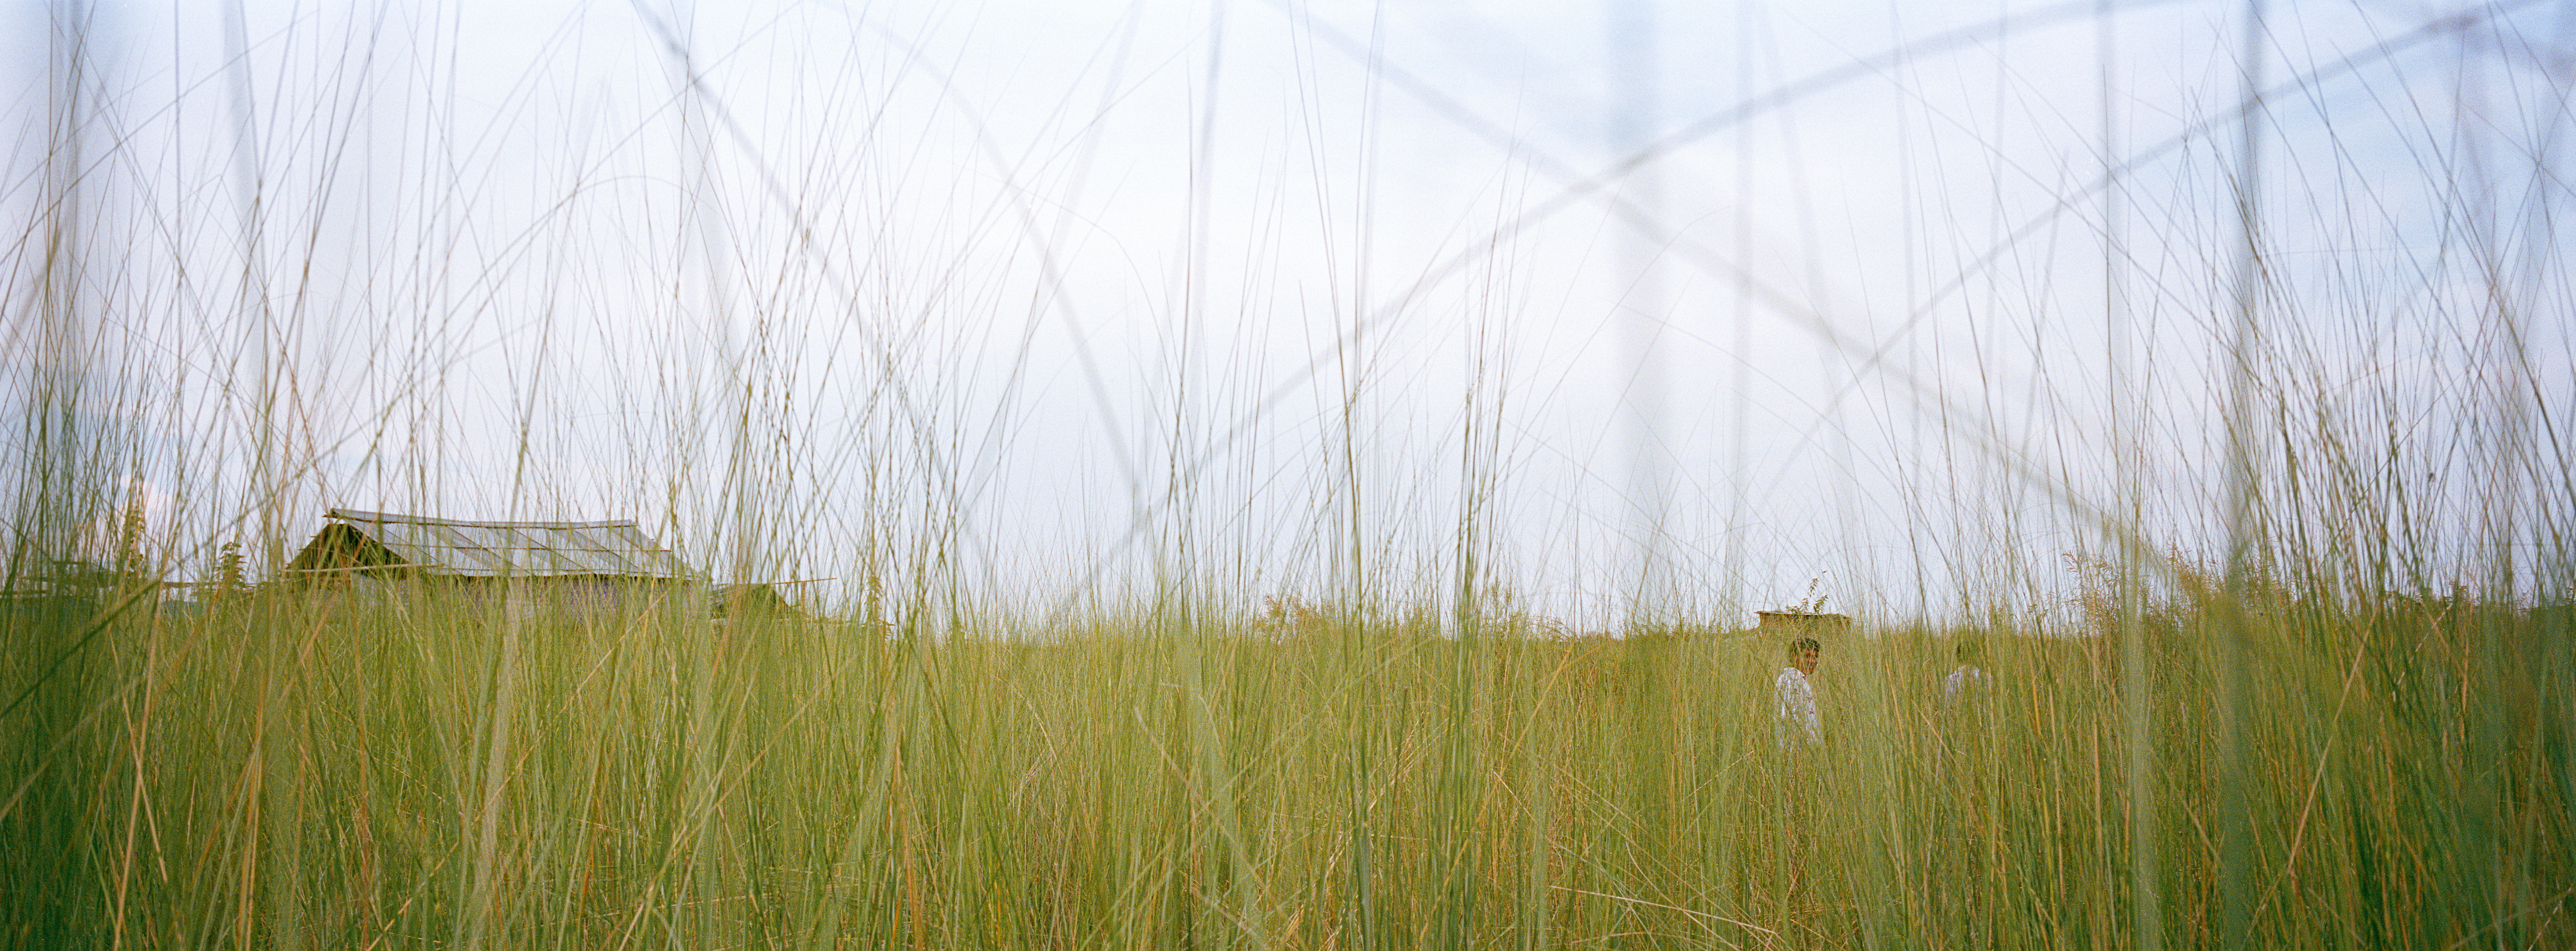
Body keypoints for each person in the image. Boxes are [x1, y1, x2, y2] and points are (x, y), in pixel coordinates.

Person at [1774, 636, 1822, 746]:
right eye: (1807, 656)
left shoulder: (1800, 681)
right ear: (1794, 656)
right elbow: (1790, 722)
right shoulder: (1789, 681)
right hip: (1797, 752)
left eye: (1815, 657)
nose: (1813, 661)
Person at [1941, 639, 1993, 713]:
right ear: (1977, 657)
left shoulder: (1949, 680)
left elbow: (1944, 707)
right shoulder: (1988, 679)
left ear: (1958, 657)